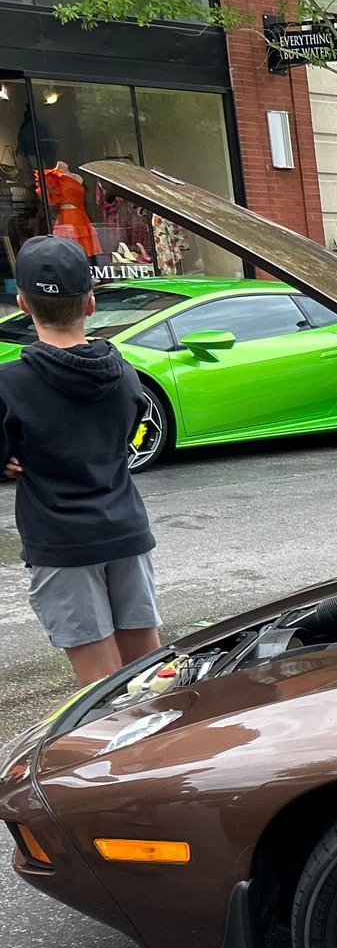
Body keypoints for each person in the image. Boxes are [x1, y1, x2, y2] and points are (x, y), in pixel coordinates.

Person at [0, 236, 161, 687]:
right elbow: (130, 432)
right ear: (90, 304)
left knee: (100, 691)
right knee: (149, 676)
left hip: (61, 541)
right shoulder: (124, 371)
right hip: (126, 531)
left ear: (22, 304)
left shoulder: (10, 385)